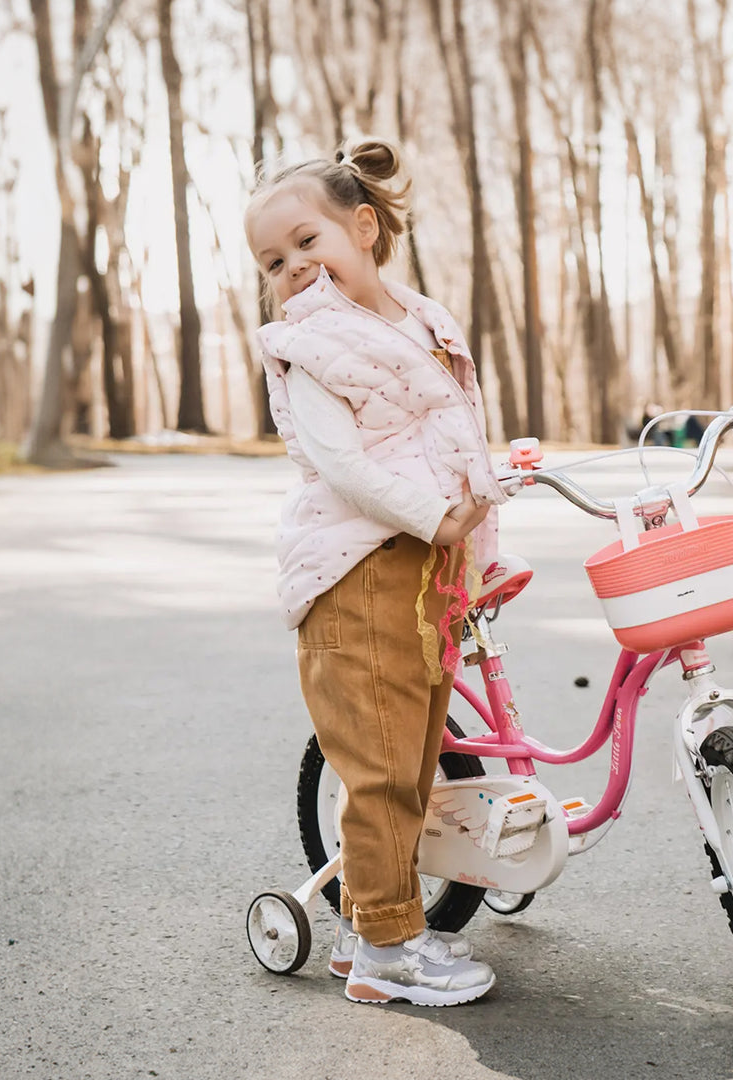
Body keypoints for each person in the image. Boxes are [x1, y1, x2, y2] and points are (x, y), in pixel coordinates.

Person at [244, 138, 506, 1007]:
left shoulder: (423, 321)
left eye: (306, 243)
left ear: (363, 228)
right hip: (354, 574)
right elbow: (343, 463)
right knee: (383, 769)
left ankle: (368, 933)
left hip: (424, 571)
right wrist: (438, 514)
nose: (292, 269)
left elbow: (450, 426)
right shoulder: (307, 343)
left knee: (417, 754)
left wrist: (484, 493)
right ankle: (389, 952)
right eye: (274, 261)